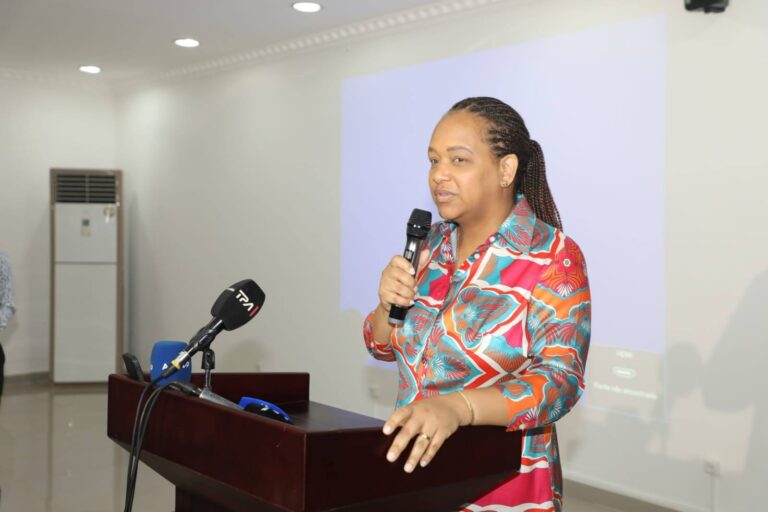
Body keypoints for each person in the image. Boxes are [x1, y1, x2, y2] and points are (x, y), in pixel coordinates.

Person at [362, 97, 591, 511]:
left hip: (501, 488)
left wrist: (459, 407)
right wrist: (385, 305)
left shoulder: (552, 256)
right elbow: (380, 345)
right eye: (433, 161)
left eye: (458, 160)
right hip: (415, 480)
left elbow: (560, 383)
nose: (439, 174)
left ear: (506, 169)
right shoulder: (429, 245)